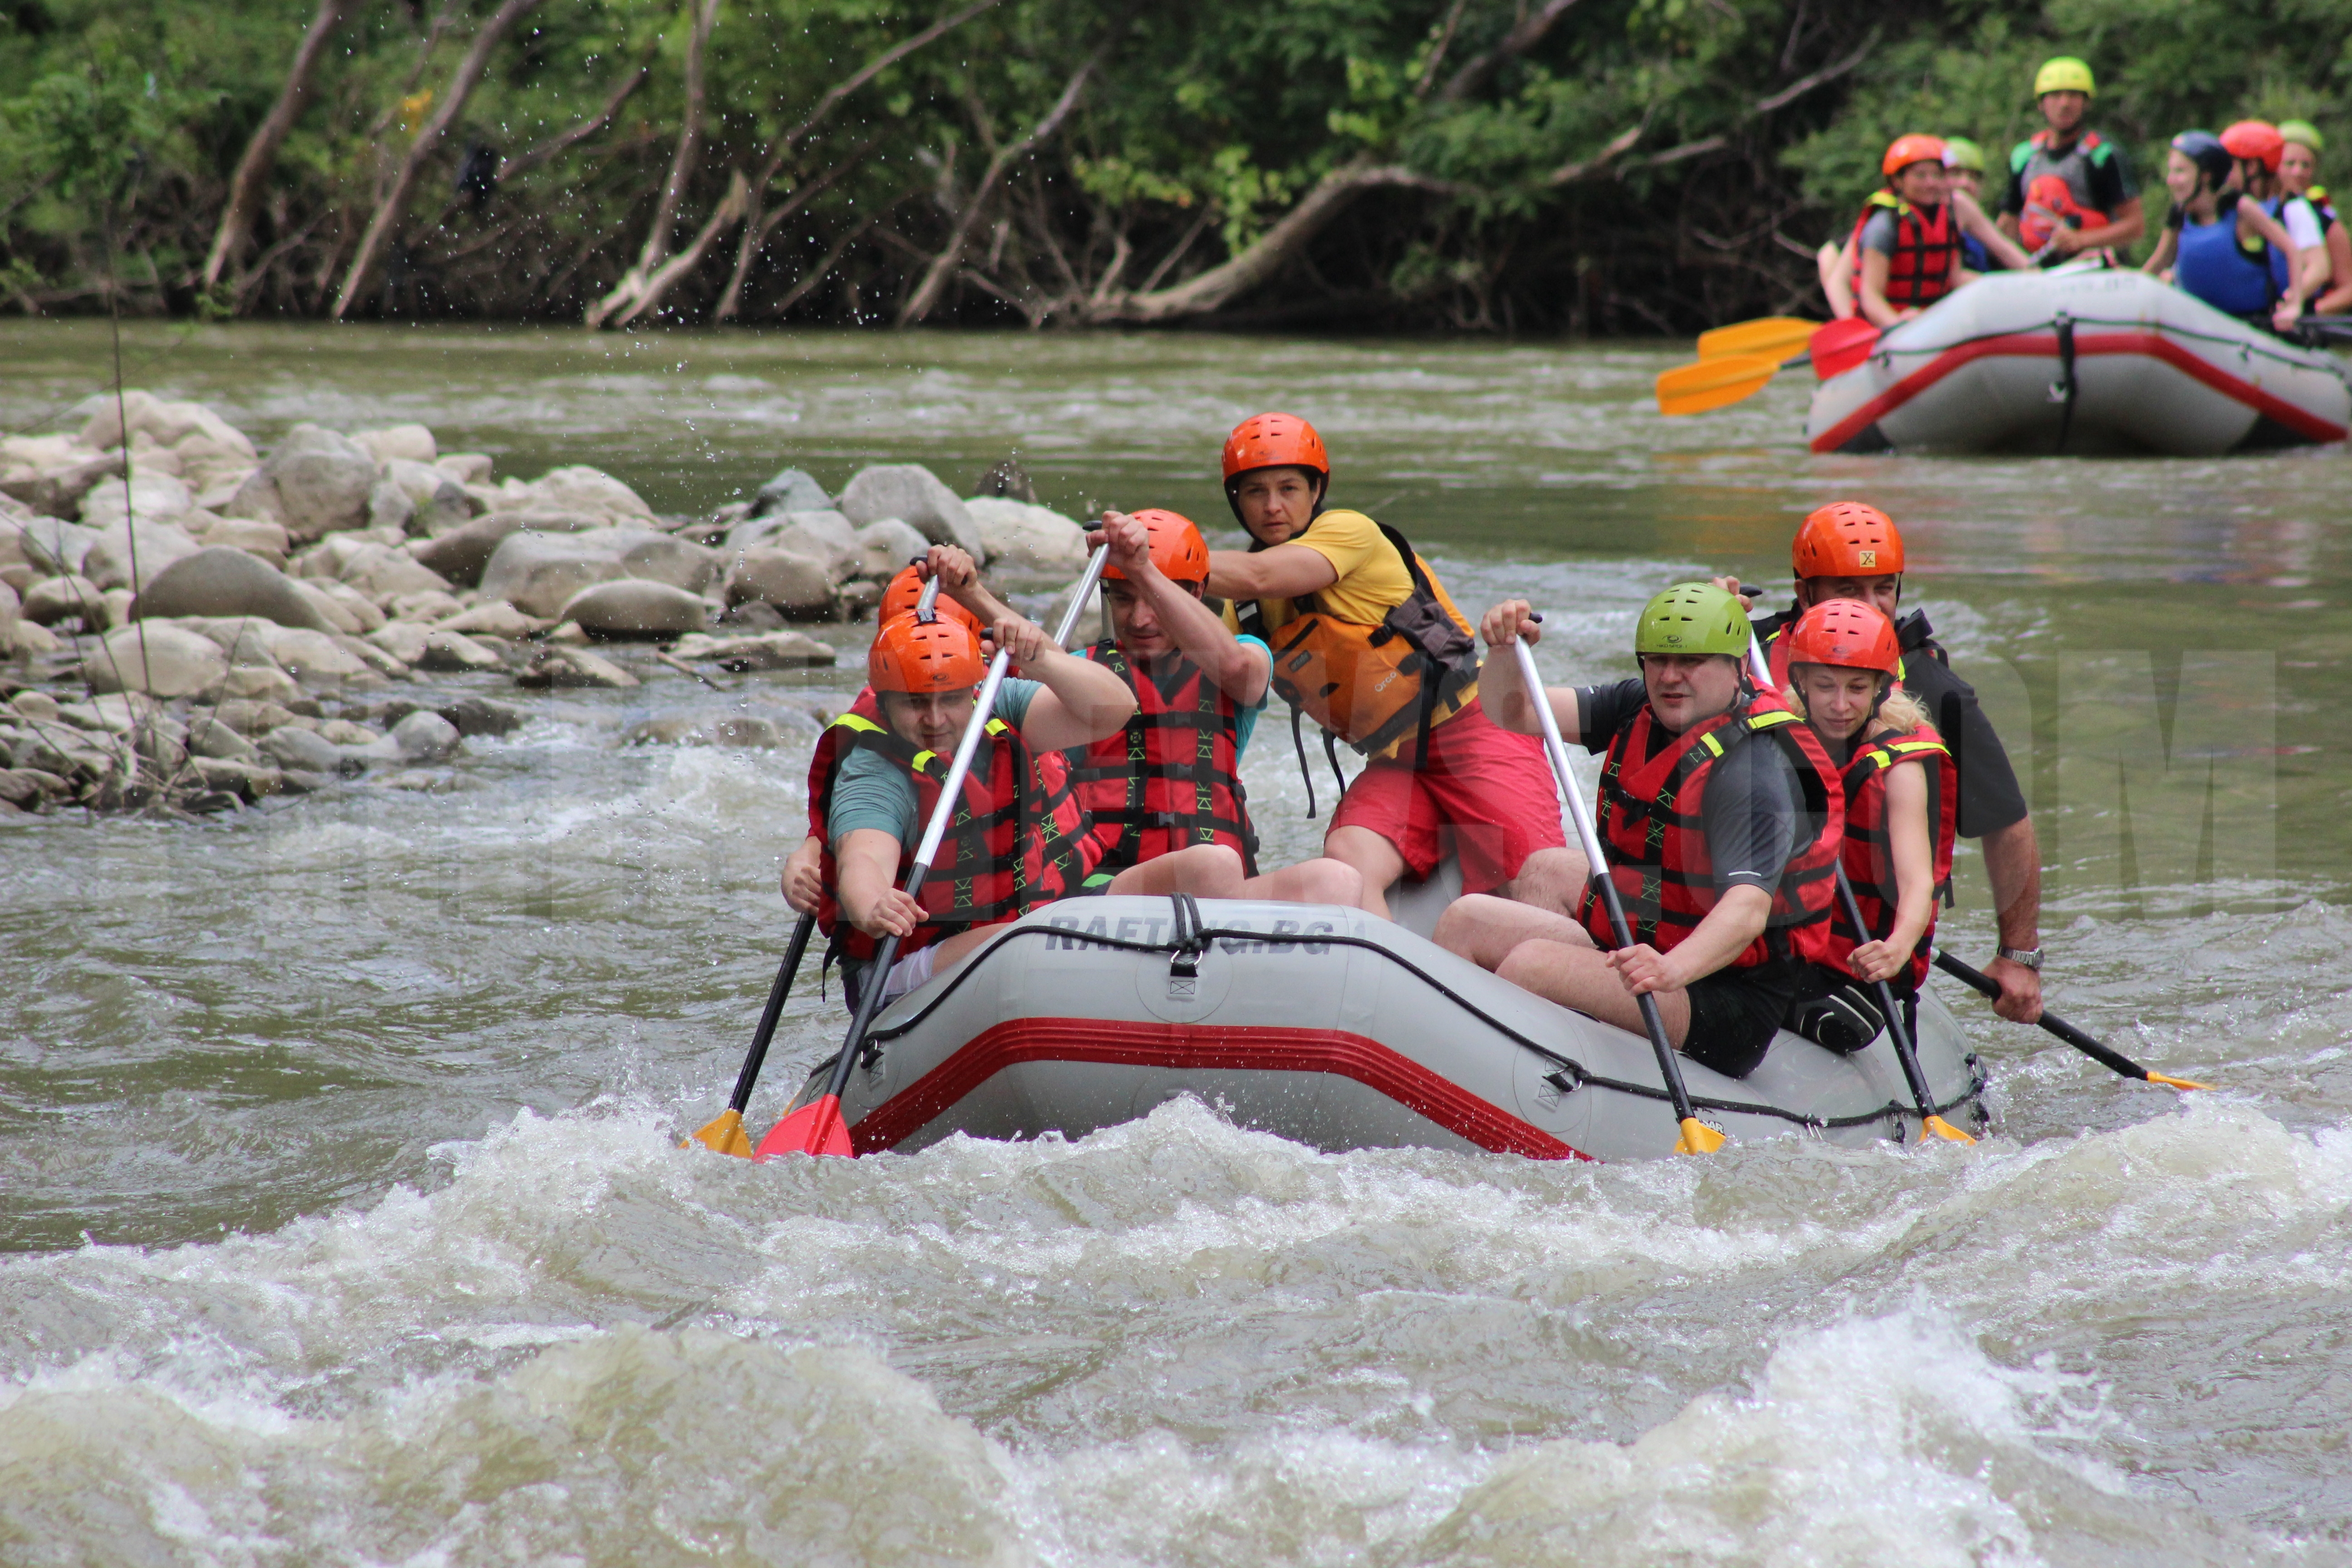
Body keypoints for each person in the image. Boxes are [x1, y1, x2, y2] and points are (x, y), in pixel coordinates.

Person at [1434, 584, 1843, 1080]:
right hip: (1648, 945)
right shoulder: (1641, 708)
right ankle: (1454, 1067)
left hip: (1721, 996)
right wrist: (1503, 653)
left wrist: (1671, 971)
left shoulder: (1754, 771)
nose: (1671, 677)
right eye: (1658, 660)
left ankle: (1513, 1084)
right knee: (1469, 918)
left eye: (1691, 661)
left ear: (1738, 667)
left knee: (1531, 966)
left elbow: (1747, 911)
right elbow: (1513, 711)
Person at [1205, 412, 1586, 919]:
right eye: (1255, 493)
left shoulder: (1350, 533)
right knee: (1347, 863)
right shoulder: (1244, 611)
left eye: (1289, 487)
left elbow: (1257, 574)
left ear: (1316, 490)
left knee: (1532, 884)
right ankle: (1377, 986)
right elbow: (1218, 670)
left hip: (1476, 731)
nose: (1273, 506)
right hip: (1396, 762)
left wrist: (1155, 556)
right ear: (1237, 502)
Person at [1715, 501, 2047, 1024]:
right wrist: (1709, 625)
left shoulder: (1935, 691)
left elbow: (2005, 824)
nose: (1870, 608)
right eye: (1848, 591)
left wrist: (2018, 956)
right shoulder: (1747, 652)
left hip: (1859, 940)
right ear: (1804, 594)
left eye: (1883, 590)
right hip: (1755, 916)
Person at [1065, 506, 1362, 904]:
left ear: (1196, 594)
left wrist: (1141, 569)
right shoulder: (1078, 671)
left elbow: (1238, 668)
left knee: (1337, 880)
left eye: (1154, 599)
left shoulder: (1245, 655)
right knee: (1212, 866)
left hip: (1218, 888)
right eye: (1123, 599)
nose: (1140, 619)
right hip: (1110, 890)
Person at [1774, 598, 1959, 1052]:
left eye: (1857, 688)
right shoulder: (1780, 733)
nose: (1840, 705)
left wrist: (1896, 947)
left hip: (1855, 965)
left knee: (1838, 1026)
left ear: (1879, 688)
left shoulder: (1901, 769)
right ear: (1801, 683)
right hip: (1792, 944)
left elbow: (1918, 881)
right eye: (1825, 687)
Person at [1818, 136, 2025, 320]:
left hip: (1929, 321)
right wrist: (1896, 324)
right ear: (1898, 181)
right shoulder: (1884, 225)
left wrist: (2012, 287)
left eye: (1937, 176)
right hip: (1890, 326)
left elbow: (1954, 278)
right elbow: (1870, 295)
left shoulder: (1949, 215)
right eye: (1920, 176)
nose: (1930, 183)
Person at [2141, 131, 2305, 330]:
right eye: (2172, 171)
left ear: (2206, 175)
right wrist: (2131, 286)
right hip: (2198, 327)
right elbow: (2161, 261)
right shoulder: (2179, 216)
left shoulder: (2241, 208)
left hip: (2251, 324)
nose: (2171, 180)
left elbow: (2291, 248)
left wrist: (2295, 304)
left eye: (2180, 171)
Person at [1998, 57, 2144, 259]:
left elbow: (2135, 226)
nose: (2065, 104)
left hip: (2094, 268)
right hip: (2039, 270)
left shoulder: (2103, 156)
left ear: (2087, 102)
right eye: (2055, 96)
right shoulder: (2024, 157)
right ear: (2041, 103)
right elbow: (2009, 223)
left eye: (2074, 95)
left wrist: (2081, 240)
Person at [2221, 120, 2326, 323]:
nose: (2225, 177)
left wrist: (2291, 300)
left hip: (2283, 322)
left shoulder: (2293, 210)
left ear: (2252, 167)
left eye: (2230, 167)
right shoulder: (2227, 211)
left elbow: (2319, 268)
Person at [2278, 120, 2352, 315]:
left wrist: (2311, 310)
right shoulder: (2257, 209)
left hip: (2301, 320)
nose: (2298, 172)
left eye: (2306, 165)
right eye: (2290, 163)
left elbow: (2349, 288)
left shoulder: (2324, 220)